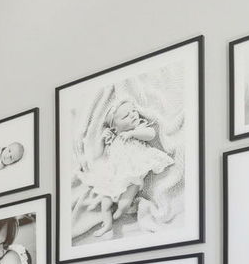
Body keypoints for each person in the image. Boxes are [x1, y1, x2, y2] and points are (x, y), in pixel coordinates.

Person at [73, 99, 176, 241]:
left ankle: (119, 213)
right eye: (126, 116)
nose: (133, 115)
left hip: (133, 171)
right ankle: (107, 223)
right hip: (113, 174)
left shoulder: (139, 128)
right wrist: (102, 141)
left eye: (133, 111)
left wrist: (132, 134)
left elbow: (151, 134)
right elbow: (98, 155)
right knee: (105, 200)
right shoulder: (113, 137)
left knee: (124, 204)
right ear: (115, 127)